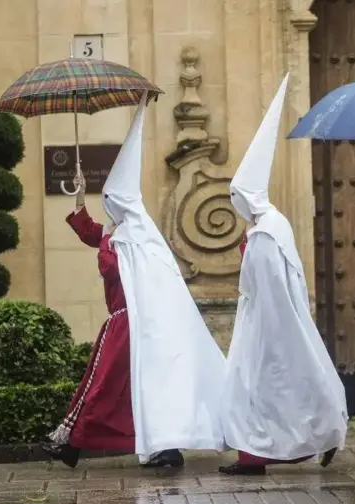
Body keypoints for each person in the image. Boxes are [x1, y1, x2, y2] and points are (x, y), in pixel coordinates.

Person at [43, 95, 227, 468]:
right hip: (124, 322)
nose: (106, 205)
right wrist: (80, 195)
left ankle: (77, 441)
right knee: (118, 385)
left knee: (107, 383)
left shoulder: (136, 237)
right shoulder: (120, 233)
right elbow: (95, 234)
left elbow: (118, 261)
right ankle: (105, 442)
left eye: (109, 199)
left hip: (135, 322)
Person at [219, 74, 348, 476]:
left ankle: (285, 445)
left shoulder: (264, 231)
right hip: (270, 320)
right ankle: (256, 453)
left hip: (267, 323)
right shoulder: (271, 223)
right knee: (283, 384)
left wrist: (263, 326)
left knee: (266, 386)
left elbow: (262, 284)